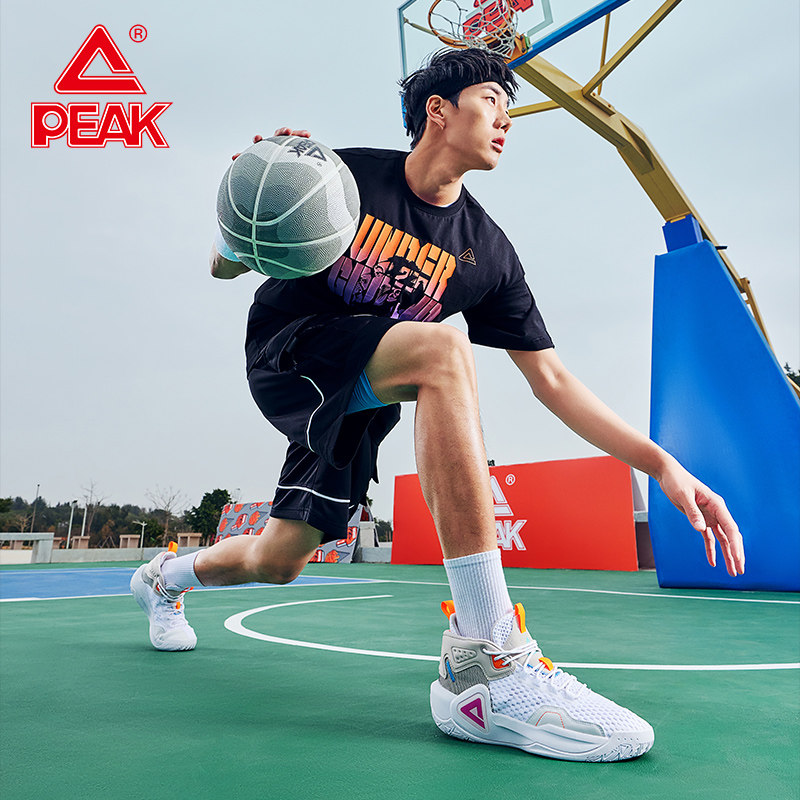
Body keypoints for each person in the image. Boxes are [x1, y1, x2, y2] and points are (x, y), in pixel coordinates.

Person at [131, 48, 745, 762]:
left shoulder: (486, 253)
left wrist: (663, 465)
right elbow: (224, 267)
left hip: (363, 392)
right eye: (493, 100)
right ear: (439, 110)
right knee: (443, 351)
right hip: (291, 353)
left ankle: (163, 579)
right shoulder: (346, 176)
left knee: (278, 559)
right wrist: (256, 199)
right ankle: (484, 663)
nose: (507, 119)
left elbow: (552, 381)